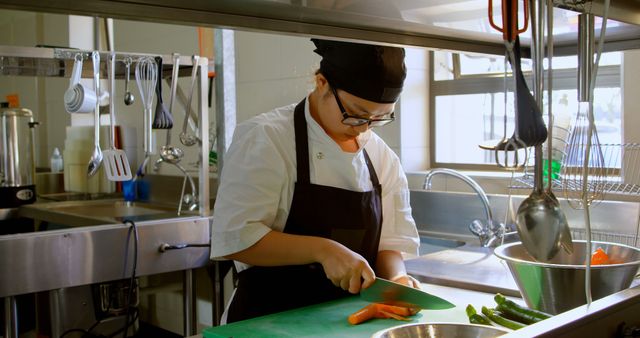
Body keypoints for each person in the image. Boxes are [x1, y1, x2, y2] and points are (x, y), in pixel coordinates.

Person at [210, 38, 420, 323]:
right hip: (267, 321)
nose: (364, 127)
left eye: (378, 118)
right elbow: (236, 238)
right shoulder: (268, 138)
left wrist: (398, 280)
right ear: (322, 83)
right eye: (356, 113)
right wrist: (323, 250)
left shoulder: (380, 156)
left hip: (342, 322)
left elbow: (390, 243)